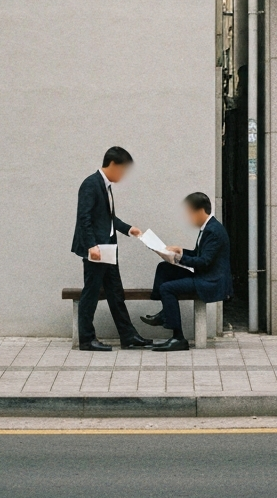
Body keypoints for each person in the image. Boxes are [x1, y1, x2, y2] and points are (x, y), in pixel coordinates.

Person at [71, 147, 155, 352]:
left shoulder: (105, 186)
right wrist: (91, 246)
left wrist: (129, 229)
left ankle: (128, 336)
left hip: (108, 249)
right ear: (113, 165)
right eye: (123, 170)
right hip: (97, 250)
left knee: (115, 292)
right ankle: (86, 339)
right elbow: (85, 218)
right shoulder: (91, 184)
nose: (123, 175)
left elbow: (108, 219)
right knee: (90, 294)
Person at [142, 192, 232, 352]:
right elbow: (199, 255)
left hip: (210, 280)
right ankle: (165, 314)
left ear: (200, 211)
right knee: (164, 268)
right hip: (205, 274)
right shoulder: (207, 228)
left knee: (167, 288)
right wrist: (180, 251)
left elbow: (204, 262)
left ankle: (178, 339)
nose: (189, 218)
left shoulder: (213, 231)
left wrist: (178, 257)